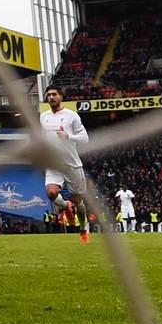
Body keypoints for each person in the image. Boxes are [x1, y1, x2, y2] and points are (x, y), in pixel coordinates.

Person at [39, 85, 92, 243]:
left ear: (61, 96)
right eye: (48, 95)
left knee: (78, 201)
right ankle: (64, 205)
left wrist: (68, 136)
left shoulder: (72, 116)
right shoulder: (43, 117)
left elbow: (85, 139)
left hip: (72, 164)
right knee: (51, 193)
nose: (51, 97)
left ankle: (83, 228)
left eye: (54, 94)